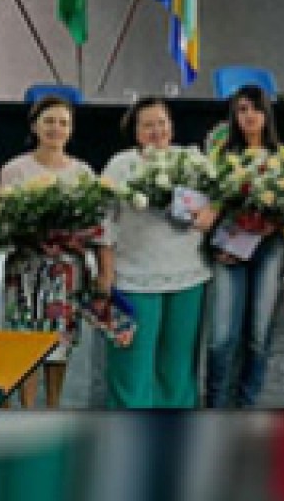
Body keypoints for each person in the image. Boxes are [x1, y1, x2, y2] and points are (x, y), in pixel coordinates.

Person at [98, 97, 214, 408]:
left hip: (188, 277)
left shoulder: (191, 160)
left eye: (162, 123)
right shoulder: (121, 164)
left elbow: (216, 199)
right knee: (131, 363)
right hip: (134, 279)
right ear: (135, 131)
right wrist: (106, 272)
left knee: (177, 365)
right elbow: (104, 222)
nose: (156, 130)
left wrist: (210, 214)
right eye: (148, 125)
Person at [0, 95, 94, 408]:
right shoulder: (15, 169)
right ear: (35, 126)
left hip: (67, 271)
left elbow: (94, 223)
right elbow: (3, 219)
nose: (56, 128)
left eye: (63, 123)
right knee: (26, 341)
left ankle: (53, 405)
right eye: (49, 121)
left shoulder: (83, 172)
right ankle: (28, 410)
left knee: (60, 342)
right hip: (26, 267)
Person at [205, 85, 284, 408]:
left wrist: (274, 222)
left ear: (266, 115)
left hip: (269, 249)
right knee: (221, 338)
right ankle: (215, 406)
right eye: (242, 110)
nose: (249, 116)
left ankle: (246, 407)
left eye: (255, 109)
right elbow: (208, 205)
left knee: (258, 334)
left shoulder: (283, 157)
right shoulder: (221, 157)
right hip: (229, 249)